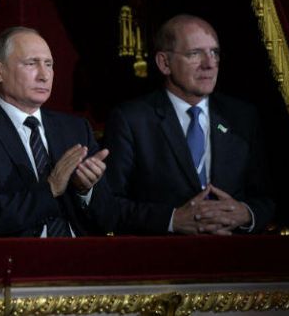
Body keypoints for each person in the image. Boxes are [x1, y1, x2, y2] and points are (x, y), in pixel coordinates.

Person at [102, 14, 275, 235]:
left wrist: (246, 214)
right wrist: (172, 220)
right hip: (164, 260)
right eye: (195, 54)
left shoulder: (242, 117)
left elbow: (266, 198)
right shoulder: (131, 119)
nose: (210, 64)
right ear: (164, 63)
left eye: (215, 53)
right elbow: (108, 205)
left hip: (234, 258)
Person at [0, 26, 117, 237]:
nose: (44, 75)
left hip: (82, 256)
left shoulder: (76, 129)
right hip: (20, 261)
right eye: (31, 64)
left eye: (49, 64)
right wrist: (50, 188)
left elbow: (109, 218)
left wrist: (85, 191)